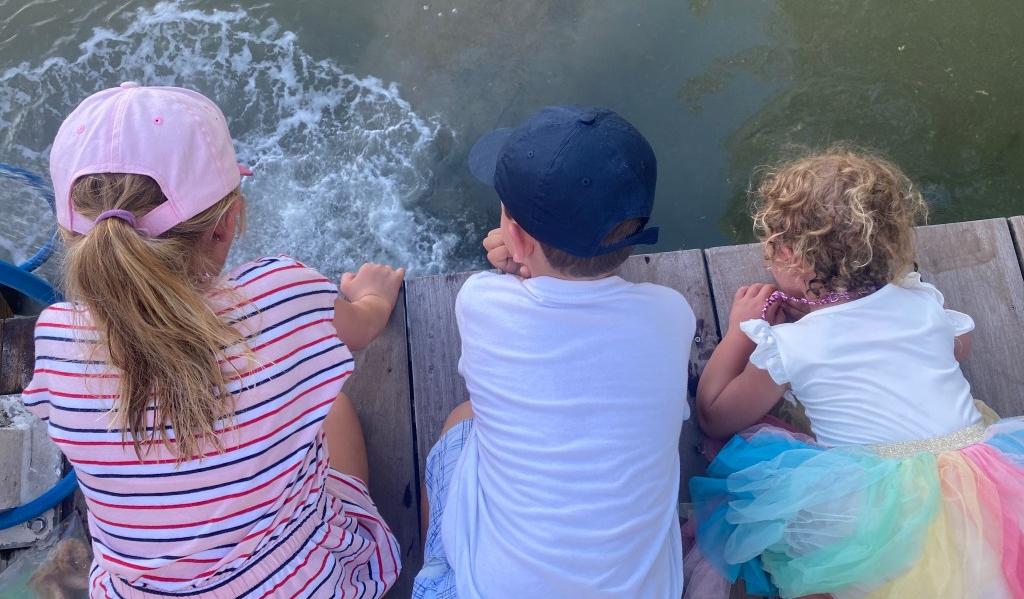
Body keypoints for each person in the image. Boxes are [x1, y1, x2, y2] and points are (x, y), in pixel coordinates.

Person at [22, 82, 404, 598]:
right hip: (300, 585)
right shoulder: (279, 293)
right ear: (227, 224)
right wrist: (373, 296)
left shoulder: (57, 336)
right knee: (331, 401)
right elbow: (362, 327)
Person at [689, 147, 1024, 599]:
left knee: (833, 565)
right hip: (976, 482)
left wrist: (739, 333)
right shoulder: (923, 303)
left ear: (788, 255)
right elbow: (959, 347)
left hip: (869, 506)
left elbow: (714, 415)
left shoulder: (792, 346)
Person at [412, 105, 696, 598]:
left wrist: (522, 261)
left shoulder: (479, 300)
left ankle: (437, 560)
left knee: (462, 419)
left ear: (514, 237)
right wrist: (529, 253)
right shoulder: (671, 312)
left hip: (487, 591)